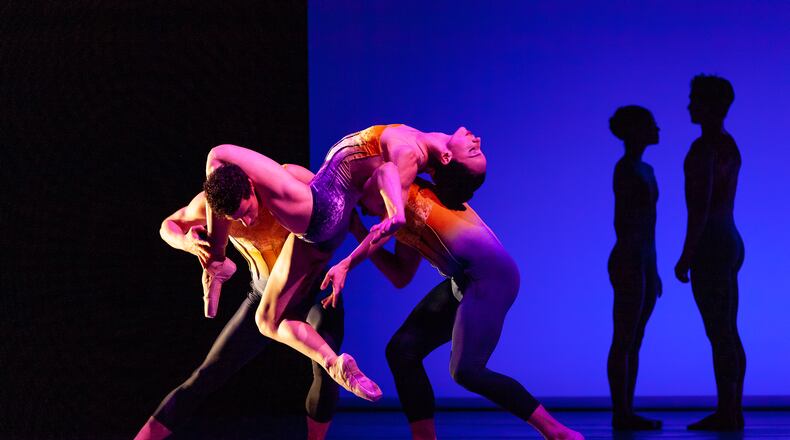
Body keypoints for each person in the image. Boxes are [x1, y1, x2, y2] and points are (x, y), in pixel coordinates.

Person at [202, 125, 486, 401]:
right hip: (327, 214)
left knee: (218, 155)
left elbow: (390, 179)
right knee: (266, 320)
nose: (478, 140)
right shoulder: (414, 143)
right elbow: (386, 172)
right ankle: (335, 364)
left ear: (448, 158)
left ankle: (216, 261)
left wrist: (367, 243)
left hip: (317, 205)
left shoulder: (409, 152)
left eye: (474, 152)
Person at [339, 177, 584, 440]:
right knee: (402, 350)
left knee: (467, 371)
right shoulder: (397, 219)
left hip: (491, 277)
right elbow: (400, 274)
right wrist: (357, 231)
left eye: (360, 200)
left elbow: (409, 151)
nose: (362, 210)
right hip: (463, 280)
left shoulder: (409, 185)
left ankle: (558, 433)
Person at [135, 164, 343, 440]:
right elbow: (168, 226)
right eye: (237, 218)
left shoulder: (285, 179)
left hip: (313, 290)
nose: (247, 221)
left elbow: (335, 199)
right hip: (262, 295)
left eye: (247, 210)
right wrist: (188, 243)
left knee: (328, 371)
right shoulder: (211, 206)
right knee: (207, 374)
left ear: (251, 187)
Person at [675, 75, 746, 431]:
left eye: (695, 100)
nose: (689, 106)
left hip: (713, 245)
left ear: (712, 105)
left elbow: (699, 208)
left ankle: (728, 412)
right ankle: (732, 409)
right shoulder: (729, 145)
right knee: (727, 330)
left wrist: (686, 255)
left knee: (720, 331)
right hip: (728, 239)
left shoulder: (705, 149)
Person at [605, 105, 663, 430]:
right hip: (629, 258)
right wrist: (638, 262)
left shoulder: (647, 170)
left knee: (634, 338)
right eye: (651, 124)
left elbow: (651, 225)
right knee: (624, 336)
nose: (658, 128)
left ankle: (627, 409)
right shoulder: (625, 169)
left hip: (642, 258)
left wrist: (652, 267)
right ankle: (621, 412)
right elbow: (624, 222)